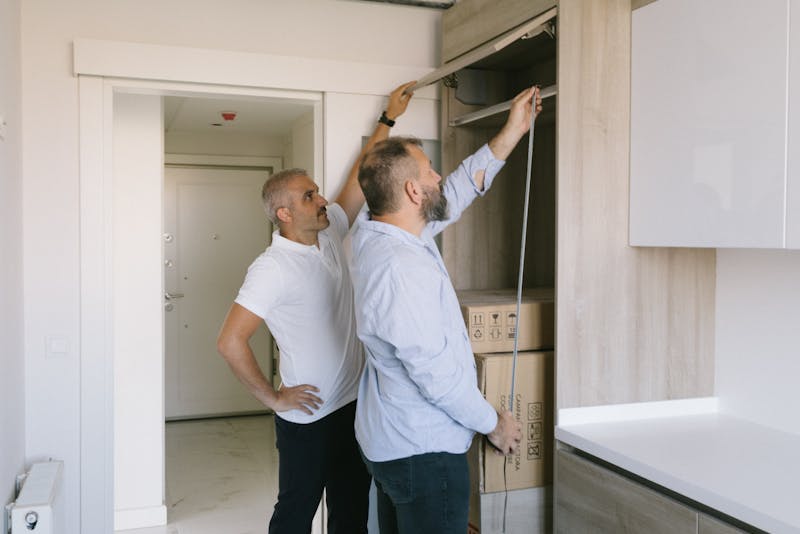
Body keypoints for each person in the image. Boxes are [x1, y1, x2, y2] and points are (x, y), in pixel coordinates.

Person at [216, 81, 415, 534]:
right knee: (295, 515)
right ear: (284, 213)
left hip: (352, 405)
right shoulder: (272, 268)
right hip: (306, 419)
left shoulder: (328, 233)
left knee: (349, 512)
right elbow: (230, 341)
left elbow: (357, 182)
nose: (322, 199)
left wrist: (388, 119)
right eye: (309, 196)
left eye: (317, 192)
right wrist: (273, 397)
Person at [350, 86, 542, 534]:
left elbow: (457, 189)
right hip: (422, 452)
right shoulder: (400, 269)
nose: (439, 176)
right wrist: (494, 423)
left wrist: (513, 130)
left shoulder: (378, 230)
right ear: (413, 191)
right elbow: (434, 374)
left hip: (394, 443)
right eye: (430, 171)